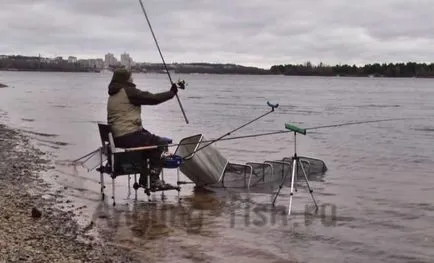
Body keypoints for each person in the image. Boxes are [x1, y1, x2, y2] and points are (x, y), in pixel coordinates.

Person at [106, 68, 178, 190]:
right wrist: (171, 93)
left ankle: (146, 179)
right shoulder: (128, 91)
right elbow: (153, 99)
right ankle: (152, 180)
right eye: (131, 76)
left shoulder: (113, 94)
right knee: (161, 143)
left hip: (118, 136)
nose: (132, 79)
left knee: (152, 140)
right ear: (126, 78)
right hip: (127, 136)